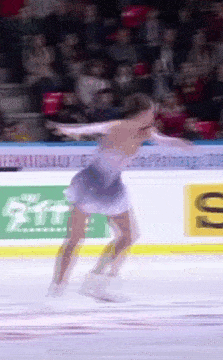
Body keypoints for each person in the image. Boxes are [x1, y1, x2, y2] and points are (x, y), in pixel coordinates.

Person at [47, 93, 192, 301]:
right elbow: (89, 129)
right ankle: (57, 288)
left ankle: (96, 282)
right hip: (90, 183)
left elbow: (163, 141)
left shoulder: (146, 132)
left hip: (112, 187)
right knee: (75, 238)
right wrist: (67, 129)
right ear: (143, 113)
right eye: (151, 112)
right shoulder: (117, 126)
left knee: (128, 236)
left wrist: (179, 143)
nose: (154, 116)